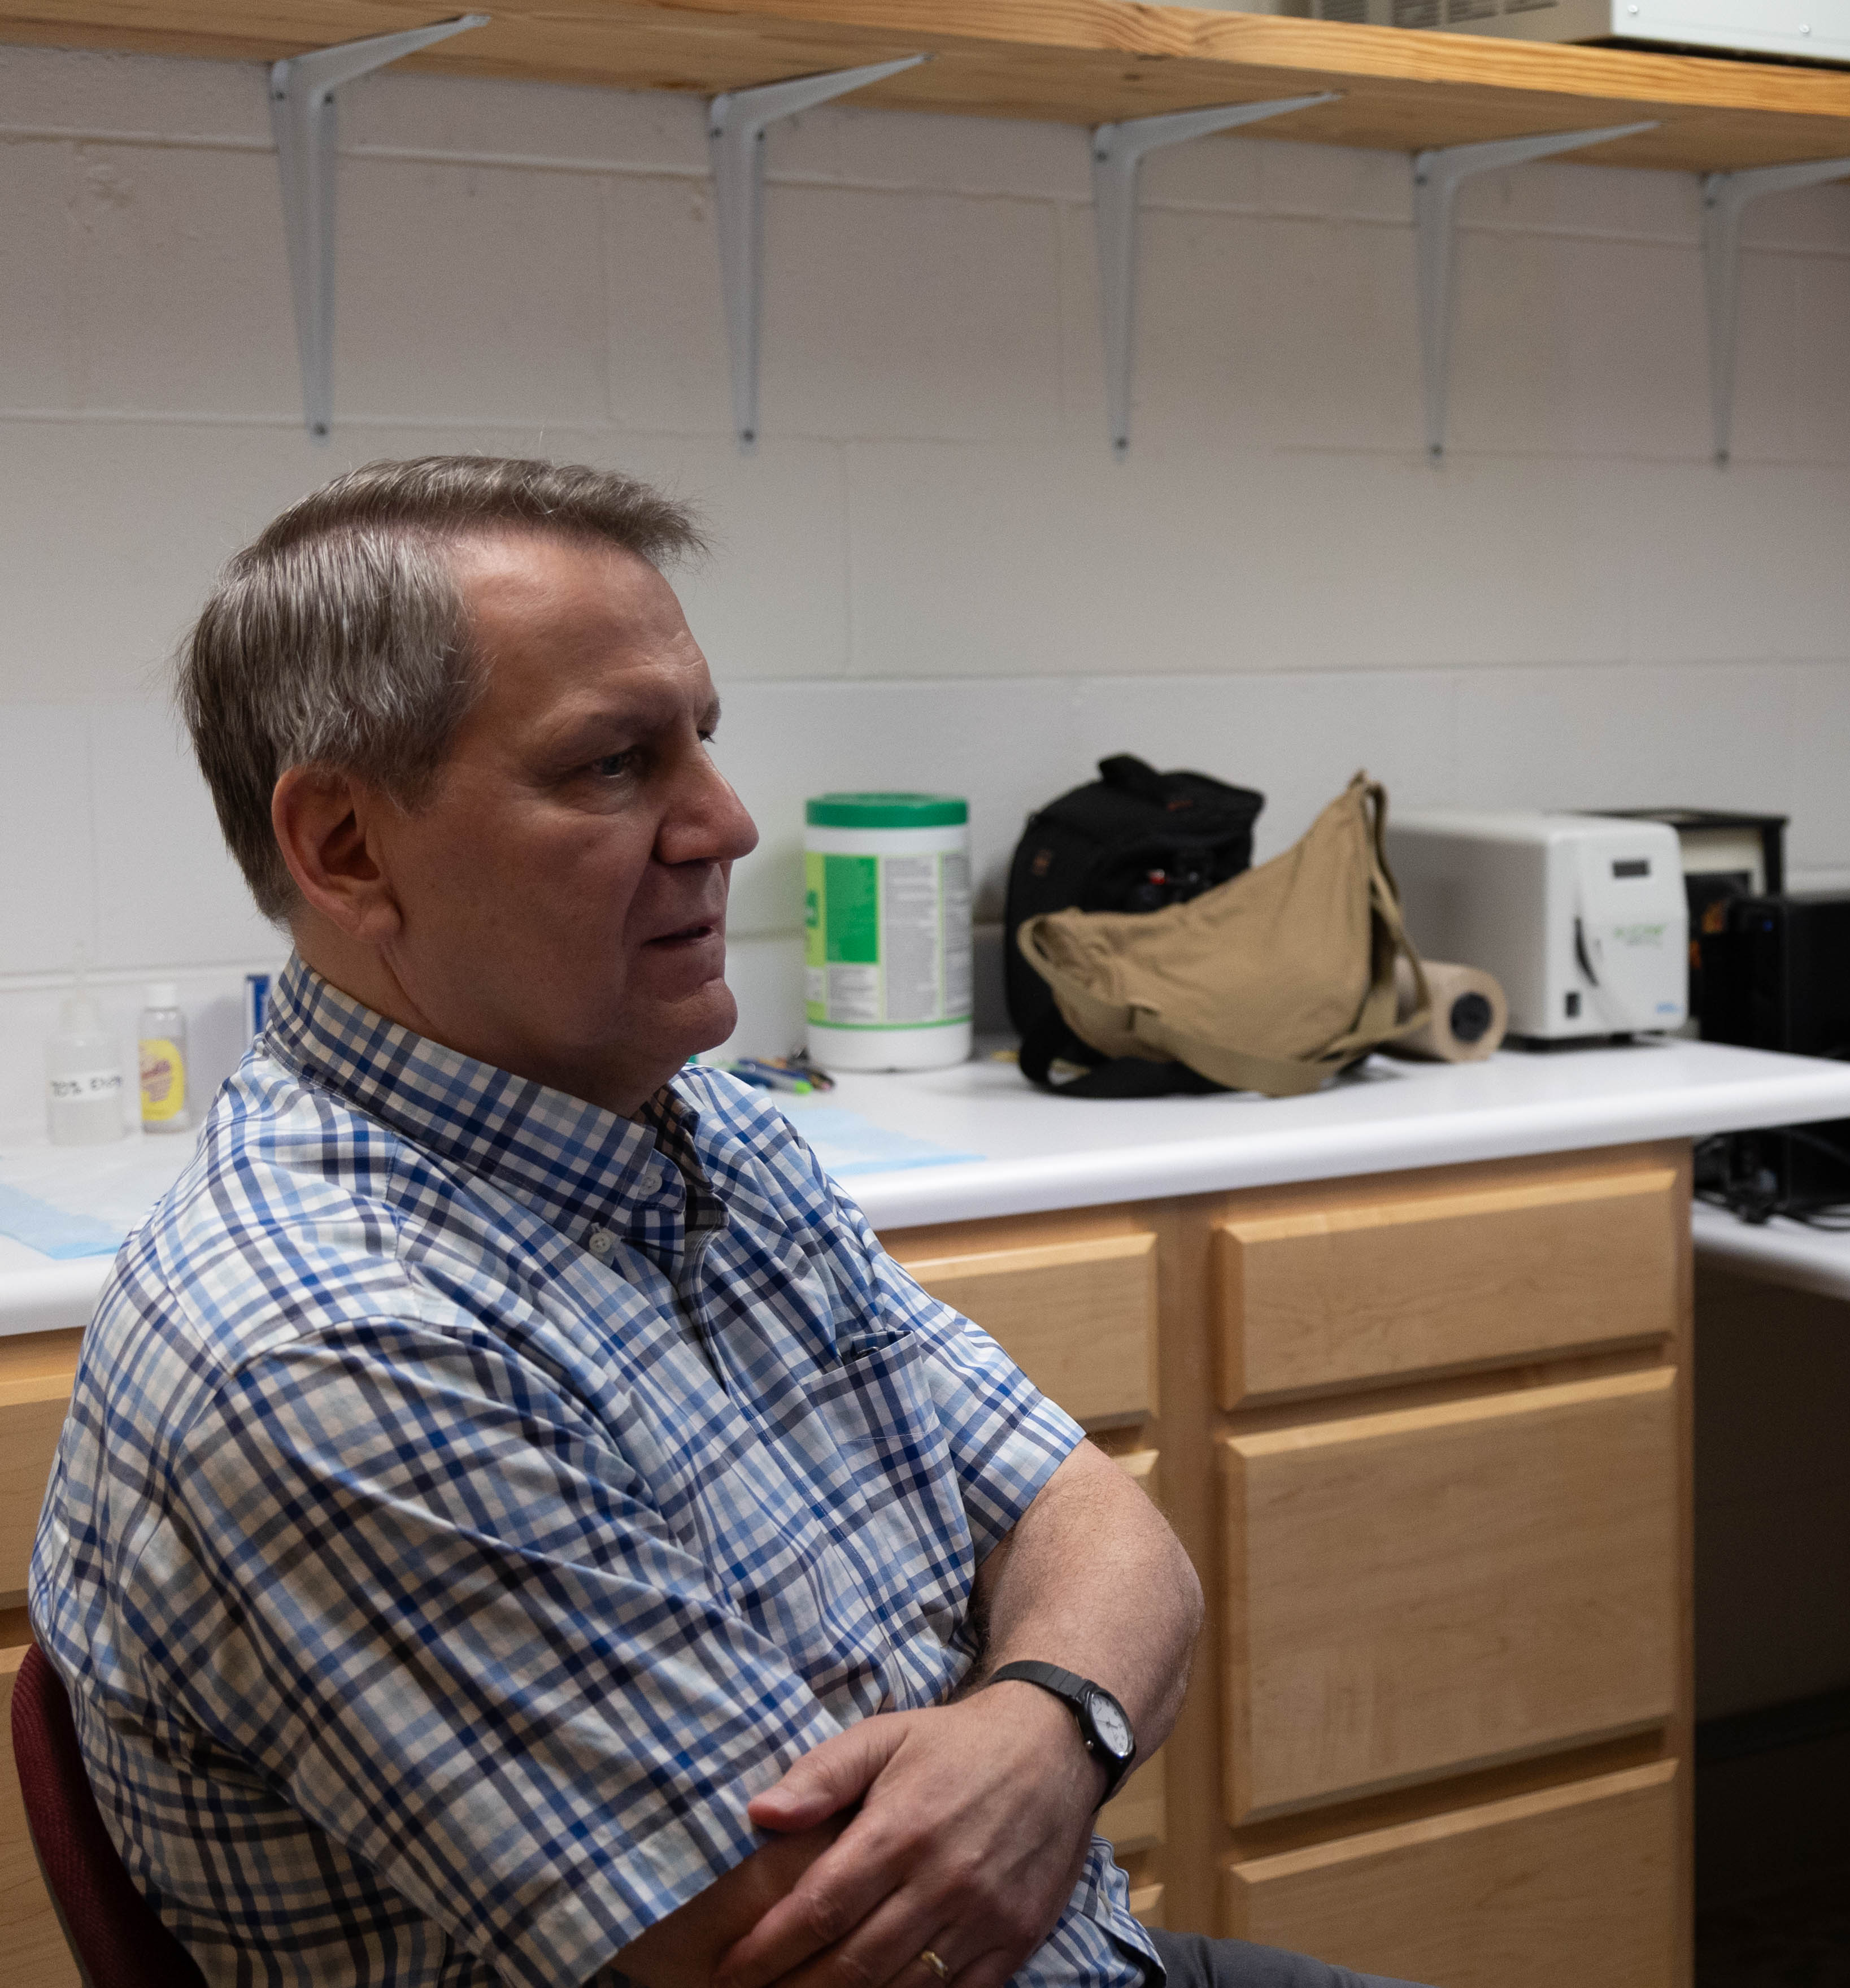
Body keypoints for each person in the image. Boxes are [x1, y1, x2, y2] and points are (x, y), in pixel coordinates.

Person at [31, 458, 1420, 1988]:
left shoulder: (707, 1127)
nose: (729, 821)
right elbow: (835, 1952)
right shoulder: (330, 1348)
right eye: (615, 766)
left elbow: (1100, 1525)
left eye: (701, 739)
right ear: (348, 848)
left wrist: (1041, 1726)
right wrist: (1059, 1727)